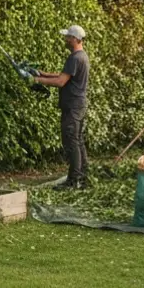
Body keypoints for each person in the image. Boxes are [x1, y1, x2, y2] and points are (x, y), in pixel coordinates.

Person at [32, 25, 90, 188]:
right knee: (77, 140)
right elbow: (62, 75)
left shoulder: (75, 58)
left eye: (68, 37)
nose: (65, 40)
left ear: (76, 39)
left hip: (73, 106)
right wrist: (41, 73)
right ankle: (83, 175)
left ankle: (74, 180)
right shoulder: (81, 56)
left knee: (72, 141)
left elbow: (60, 82)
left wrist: (36, 81)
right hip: (77, 105)